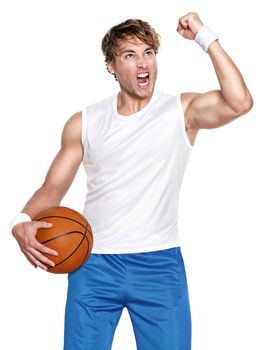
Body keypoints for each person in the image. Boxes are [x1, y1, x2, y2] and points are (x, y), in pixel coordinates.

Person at [11, 12, 253, 350]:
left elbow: (240, 102)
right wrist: (20, 221)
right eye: (130, 55)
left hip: (159, 264)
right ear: (111, 65)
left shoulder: (182, 112)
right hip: (93, 264)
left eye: (149, 53)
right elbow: (52, 189)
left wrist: (205, 36)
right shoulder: (85, 122)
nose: (143, 63)